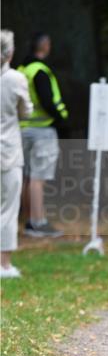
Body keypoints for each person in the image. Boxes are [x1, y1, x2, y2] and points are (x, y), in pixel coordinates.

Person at [18, 32, 68, 237]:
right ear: (45, 46)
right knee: (39, 178)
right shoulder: (40, 71)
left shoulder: (21, 70)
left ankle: (29, 221)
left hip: (22, 129)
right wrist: (61, 118)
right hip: (42, 130)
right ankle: (39, 222)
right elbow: (48, 101)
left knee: (27, 177)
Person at [1, 29, 33, 277]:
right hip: (7, 151)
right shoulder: (15, 79)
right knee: (8, 208)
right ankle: (4, 264)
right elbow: (26, 113)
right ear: (10, 53)